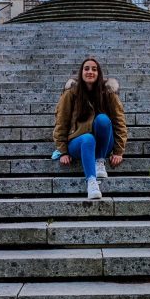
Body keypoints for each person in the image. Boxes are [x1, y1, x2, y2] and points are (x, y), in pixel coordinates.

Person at [53, 57, 127, 200]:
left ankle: (100, 161)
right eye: (86, 68)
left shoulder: (108, 93)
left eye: (94, 69)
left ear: (99, 73)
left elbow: (119, 121)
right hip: (78, 141)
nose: (90, 72)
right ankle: (92, 182)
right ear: (81, 72)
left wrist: (118, 151)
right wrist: (63, 151)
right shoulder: (71, 93)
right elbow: (61, 122)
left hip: (104, 143)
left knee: (103, 120)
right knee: (88, 138)